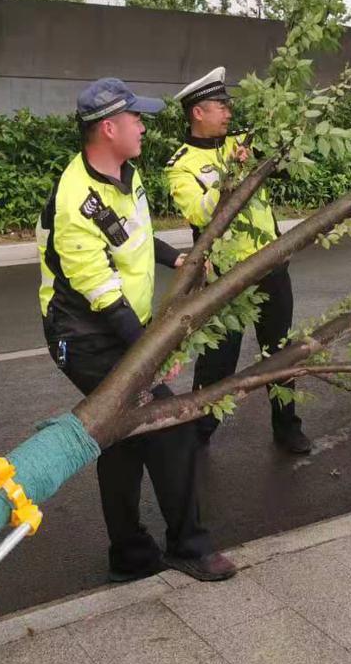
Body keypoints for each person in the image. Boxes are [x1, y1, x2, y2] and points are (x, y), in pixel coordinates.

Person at [38, 77, 236, 582]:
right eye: (136, 119)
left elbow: (136, 238)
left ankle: (129, 553)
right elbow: (103, 299)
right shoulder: (77, 202)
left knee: (121, 436)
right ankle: (187, 544)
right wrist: (153, 352)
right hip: (84, 336)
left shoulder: (127, 173)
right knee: (171, 426)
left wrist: (177, 257)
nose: (144, 127)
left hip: (120, 324)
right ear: (109, 127)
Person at [164, 67, 313, 455]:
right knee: (218, 361)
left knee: (279, 351)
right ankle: (198, 434)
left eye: (229, 105)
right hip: (225, 279)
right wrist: (230, 178)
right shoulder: (180, 165)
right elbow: (200, 215)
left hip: (270, 265)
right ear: (198, 112)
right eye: (221, 105)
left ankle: (287, 427)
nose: (229, 112)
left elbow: (282, 167)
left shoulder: (242, 142)